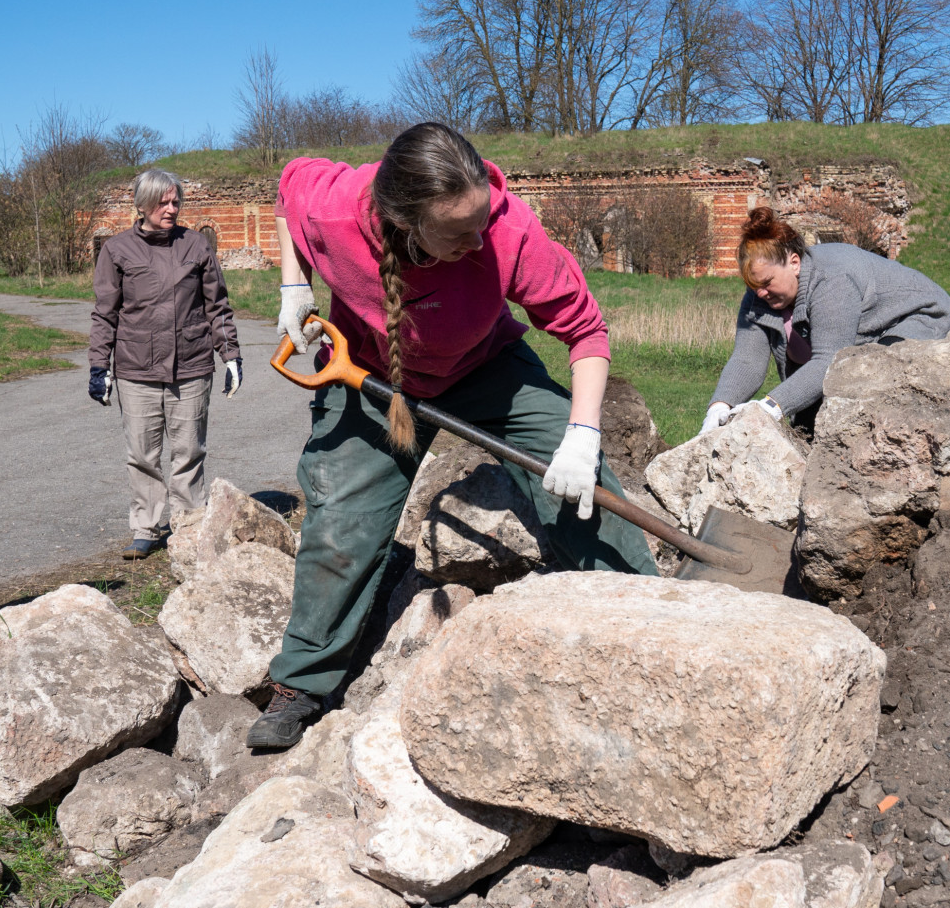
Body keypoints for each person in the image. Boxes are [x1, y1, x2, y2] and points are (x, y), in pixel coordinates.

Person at [247, 122, 659, 750]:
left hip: (486, 368)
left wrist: (580, 435)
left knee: (581, 485)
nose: (479, 239)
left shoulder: (508, 230)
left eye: (482, 219)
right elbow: (288, 187)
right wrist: (293, 283)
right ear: (405, 222)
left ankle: (652, 618)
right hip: (371, 375)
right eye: (459, 231)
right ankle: (301, 682)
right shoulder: (335, 211)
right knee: (341, 522)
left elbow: (585, 331)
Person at [90, 168, 242, 560]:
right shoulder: (117, 250)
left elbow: (217, 306)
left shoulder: (196, 245)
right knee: (142, 454)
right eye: (163, 202)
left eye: (176, 202)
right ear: (142, 205)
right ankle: (146, 528)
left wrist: (231, 355)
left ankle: (189, 527)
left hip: (191, 366)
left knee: (189, 451)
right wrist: (99, 366)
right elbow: (105, 314)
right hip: (136, 368)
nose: (171, 209)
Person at [699, 206, 950, 437]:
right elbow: (747, 359)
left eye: (767, 283)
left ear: (794, 263)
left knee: (871, 388)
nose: (760, 293)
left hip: (917, 317)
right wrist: (720, 405)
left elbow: (828, 361)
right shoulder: (759, 295)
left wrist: (771, 406)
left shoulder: (832, 280)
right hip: (854, 340)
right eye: (753, 286)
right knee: (806, 428)